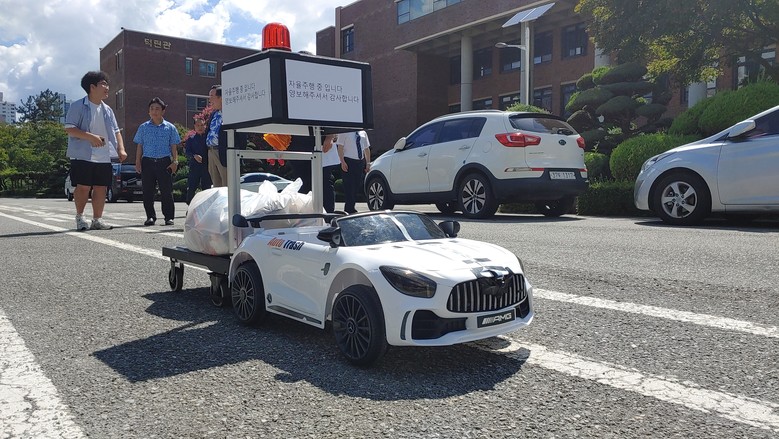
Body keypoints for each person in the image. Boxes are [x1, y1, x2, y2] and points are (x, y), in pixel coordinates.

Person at [64, 71, 127, 231]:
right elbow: (70, 129)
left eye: (107, 84)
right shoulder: (77, 106)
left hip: (104, 156)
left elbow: (116, 131)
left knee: (101, 187)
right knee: (83, 187)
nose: (107, 87)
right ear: (92, 87)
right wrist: (91, 137)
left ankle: (97, 220)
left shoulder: (108, 110)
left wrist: (121, 148)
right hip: (82, 154)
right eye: (103, 84)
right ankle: (80, 218)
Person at [133, 97, 181, 226]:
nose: (154, 111)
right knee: (148, 191)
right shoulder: (143, 127)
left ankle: (169, 217)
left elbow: (173, 146)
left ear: (163, 111)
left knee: (166, 191)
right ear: (149, 111)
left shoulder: (170, 127)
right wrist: (137, 161)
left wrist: (175, 161)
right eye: (152, 109)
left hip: (164, 161)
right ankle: (150, 217)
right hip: (147, 161)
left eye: (157, 109)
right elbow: (140, 145)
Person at [336, 130, 371, 214]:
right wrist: (342, 162)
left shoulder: (363, 133)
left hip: (359, 161)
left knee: (356, 185)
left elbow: (366, 149)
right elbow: (340, 147)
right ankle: (349, 208)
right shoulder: (344, 132)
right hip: (348, 161)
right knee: (349, 186)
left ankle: (352, 206)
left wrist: (368, 163)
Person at [184, 116, 211, 204]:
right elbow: (187, 152)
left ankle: (206, 206)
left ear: (205, 126)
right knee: (192, 187)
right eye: (198, 125)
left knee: (207, 188)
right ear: (194, 126)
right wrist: (194, 155)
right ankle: (190, 205)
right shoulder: (191, 139)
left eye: (202, 125)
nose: (200, 127)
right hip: (194, 166)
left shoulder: (208, 138)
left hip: (207, 166)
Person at [206, 84, 227, 187]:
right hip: (211, 151)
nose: (209, 99)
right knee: (216, 185)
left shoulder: (231, 114)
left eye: (212, 96)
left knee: (227, 184)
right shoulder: (214, 114)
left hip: (223, 153)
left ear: (221, 98)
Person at [322, 134, 340, 213]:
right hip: (297, 145)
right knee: (303, 182)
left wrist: (330, 136)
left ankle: (328, 216)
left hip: (321, 146)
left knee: (325, 182)